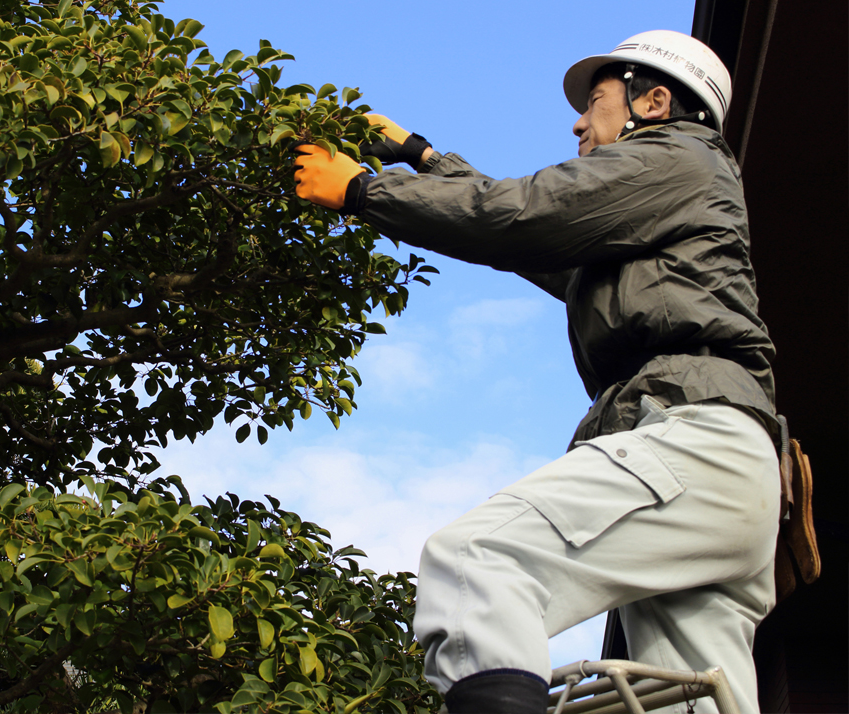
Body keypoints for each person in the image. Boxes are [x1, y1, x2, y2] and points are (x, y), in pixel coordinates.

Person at [293, 30, 780, 714]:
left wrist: (363, 192)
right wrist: (421, 158)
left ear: (655, 100)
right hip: (725, 473)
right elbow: (536, 243)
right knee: (686, 700)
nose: (578, 120)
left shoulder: (676, 157)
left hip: (692, 438)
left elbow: (523, 215)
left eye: (597, 100)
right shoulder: (668, 199)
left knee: (476, 564)